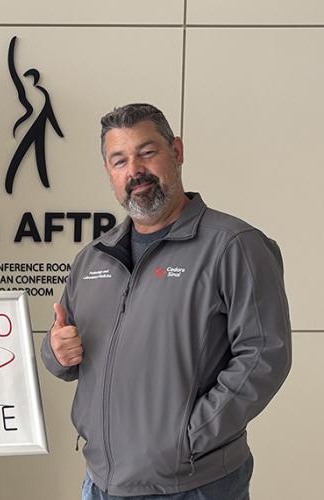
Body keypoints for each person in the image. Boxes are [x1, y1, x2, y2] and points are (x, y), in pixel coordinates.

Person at [41, 103, 291, 499]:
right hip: (101, 482)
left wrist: (187, 439)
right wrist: (57, 351)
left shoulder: (233, 246)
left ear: (176, 151)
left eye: (147, 152)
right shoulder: (93, 258)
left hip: (192, 485)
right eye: (119, 160)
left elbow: (264, 354)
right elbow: (61, 350)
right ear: (109, 173)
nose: (134, 170)